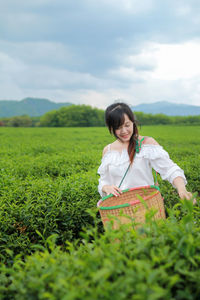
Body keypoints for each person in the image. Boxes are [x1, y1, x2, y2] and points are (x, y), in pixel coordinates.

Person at [97, 102, 194, 202]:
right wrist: (106, 187)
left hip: (146, 205)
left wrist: (182, 190)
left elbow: (170, 169)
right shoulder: (108, 150)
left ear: (133, 122)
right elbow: (104, 180)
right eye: (118, 127)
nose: (124, 131)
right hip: (120, 208)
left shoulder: (147, 144)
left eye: (127, 125)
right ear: (111, 128)